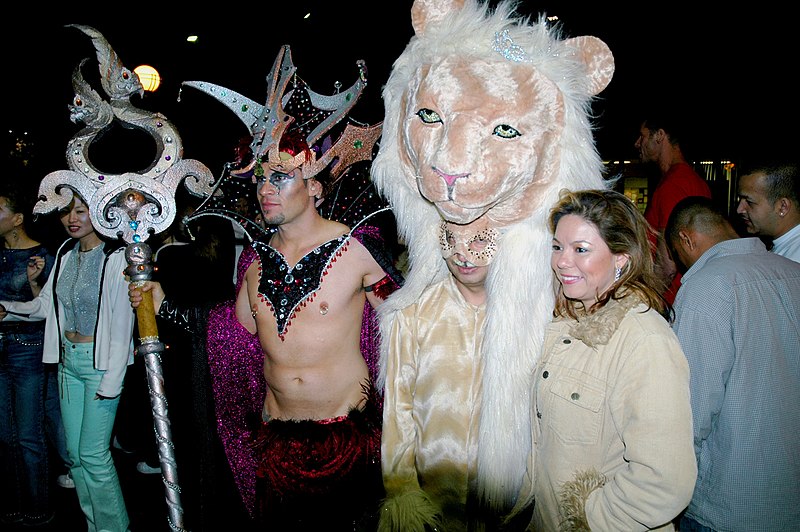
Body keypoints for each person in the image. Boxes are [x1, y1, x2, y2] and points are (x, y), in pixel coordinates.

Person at [130, 45, 403, 531]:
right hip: (276, 444)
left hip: (347, 443)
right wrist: (164, 304)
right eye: (259, 177)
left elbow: (412, 323)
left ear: (315, 185)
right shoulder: (255, 261)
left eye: (280, 176)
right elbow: (229, 334)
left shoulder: (358, 250)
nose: (265, 188)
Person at [518, 189, 697, 531]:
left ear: (621, 259)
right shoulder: (564, 324)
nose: (561, 261)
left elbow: (664, 481)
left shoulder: (644, 340)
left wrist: (590, 519)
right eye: (557, 247)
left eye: (580, 250)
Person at [0, 191, 135, 532]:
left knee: (94, 456)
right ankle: (95, 525)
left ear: (101, 211)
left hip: (99, 365)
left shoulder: (116, 256)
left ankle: (115, 528)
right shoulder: (64, 253)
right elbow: (47, 309)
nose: (72, 218)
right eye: (65, 212)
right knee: (75, 458)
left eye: (81, 210)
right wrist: (10, 307)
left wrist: (112, 380)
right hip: (67, 365)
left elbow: (122, 324)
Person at [664, 196, 800, 531]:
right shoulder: (793, 272)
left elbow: (693, 408)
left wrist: (670, 489)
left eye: (679, 256)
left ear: (686, 239)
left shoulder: (706, 287)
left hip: (729, 501)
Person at [379, 218, 493, 531]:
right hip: (434, 500)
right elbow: (398, 411)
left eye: (479, 240)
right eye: (451, 240)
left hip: (508, 505)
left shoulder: (533, 317)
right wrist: (403, 491)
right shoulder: (414, 313)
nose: (462, 253)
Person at [0, 177, 58, 527]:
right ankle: (11, 503)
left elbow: (47, 308)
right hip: (0, 349)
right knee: (3, 437)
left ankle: (39, 506)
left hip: (27, 350)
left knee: (28, 436)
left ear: (18, 218)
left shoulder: (42, 256)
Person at [634, 110, 712, 303]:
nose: (637, 143)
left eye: (642, 136)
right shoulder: (694, 180)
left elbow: (667, 265)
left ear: (659, 135)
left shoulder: (673, 185)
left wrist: (645, 303)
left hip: (670, 301)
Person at [735, 161, 800, 261]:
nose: (740, 210)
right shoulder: (785, 246)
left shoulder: (793, 260)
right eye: (740, 200)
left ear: (783, 207)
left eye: (749, 201)